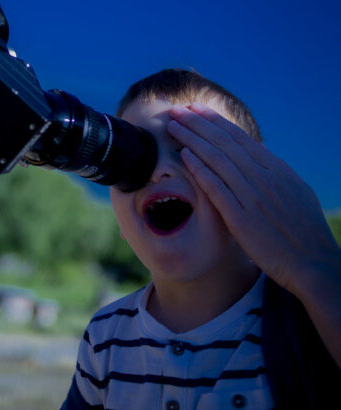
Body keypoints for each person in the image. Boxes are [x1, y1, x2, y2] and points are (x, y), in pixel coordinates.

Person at [60, 69, 341, 410]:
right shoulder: (105, 336)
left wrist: (317, 267)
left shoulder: (310, 316)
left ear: (257, 191)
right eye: (133, 157)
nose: (156, 170)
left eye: (195, 151)